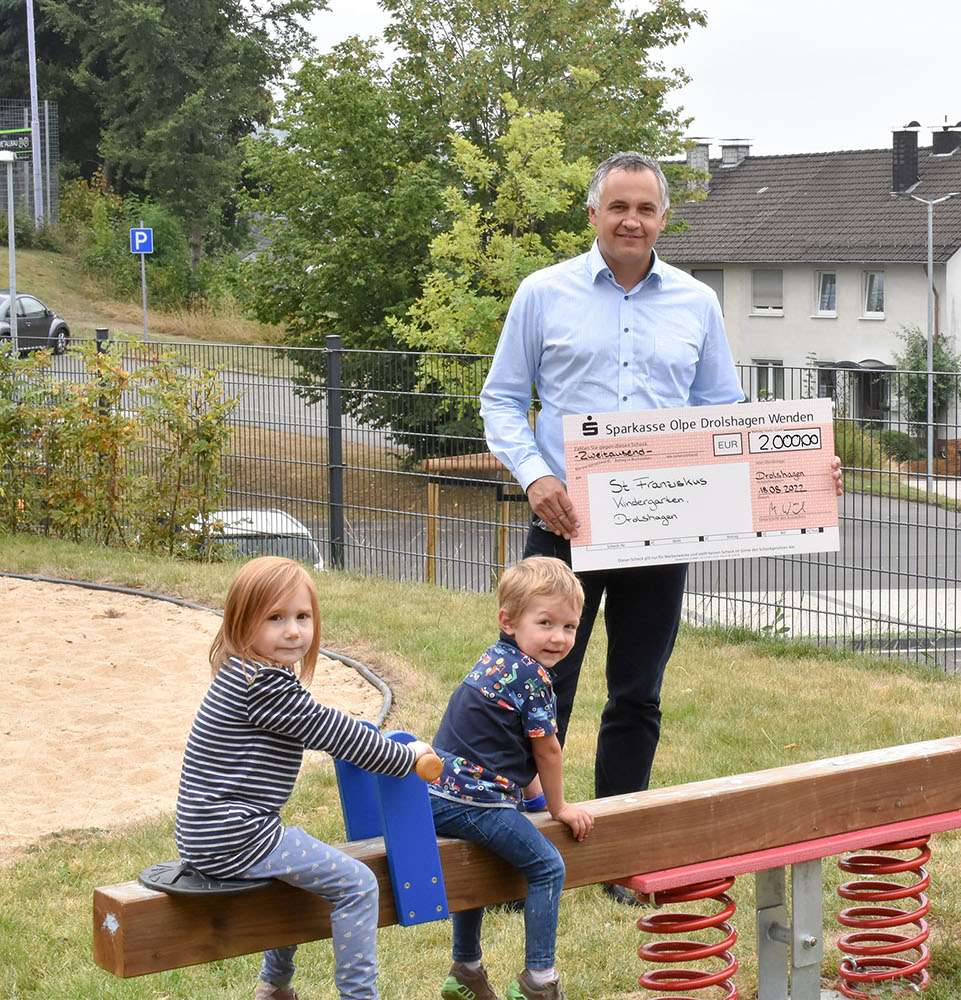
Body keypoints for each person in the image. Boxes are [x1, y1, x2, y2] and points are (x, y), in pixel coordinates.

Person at [479, 150, 840, 903]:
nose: (632, 220)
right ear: (593, 214)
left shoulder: (696, 302)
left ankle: (615, 852)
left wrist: (804, 474)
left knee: (637, 691)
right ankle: (518, 856)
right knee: (538, 684)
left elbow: (722, 417)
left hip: (663, 527)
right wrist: (536, 477)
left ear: (664, 219)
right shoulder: (542, 295)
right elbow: (503, 401)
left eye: (645, 209)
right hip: (565, 524)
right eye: (619, 207)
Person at [173, 557, 435, 1000]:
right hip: (236, 834)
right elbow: (333, 733)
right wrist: (403, 757)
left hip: (212, 831)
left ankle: (274, 988)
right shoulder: (262, 683)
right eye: (275, 618)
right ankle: (359, 996)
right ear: (241, 623)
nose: (293, 631)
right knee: (357, 885)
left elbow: (321, 722)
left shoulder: (245, 671)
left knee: (298, 869)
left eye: (302, 616)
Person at [428, 556, 595, 1000]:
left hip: (437, 792)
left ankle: (465, 969)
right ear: (508, 621)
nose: (559, 638)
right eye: (545, 623)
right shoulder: (533, 678)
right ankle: (539, 981)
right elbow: (546, 749)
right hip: (473, 799)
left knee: (476, 867)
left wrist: (535, 803)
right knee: (547, 868)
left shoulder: (497, 660)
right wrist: (558, 808)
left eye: (570, 627)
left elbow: (506, 747)